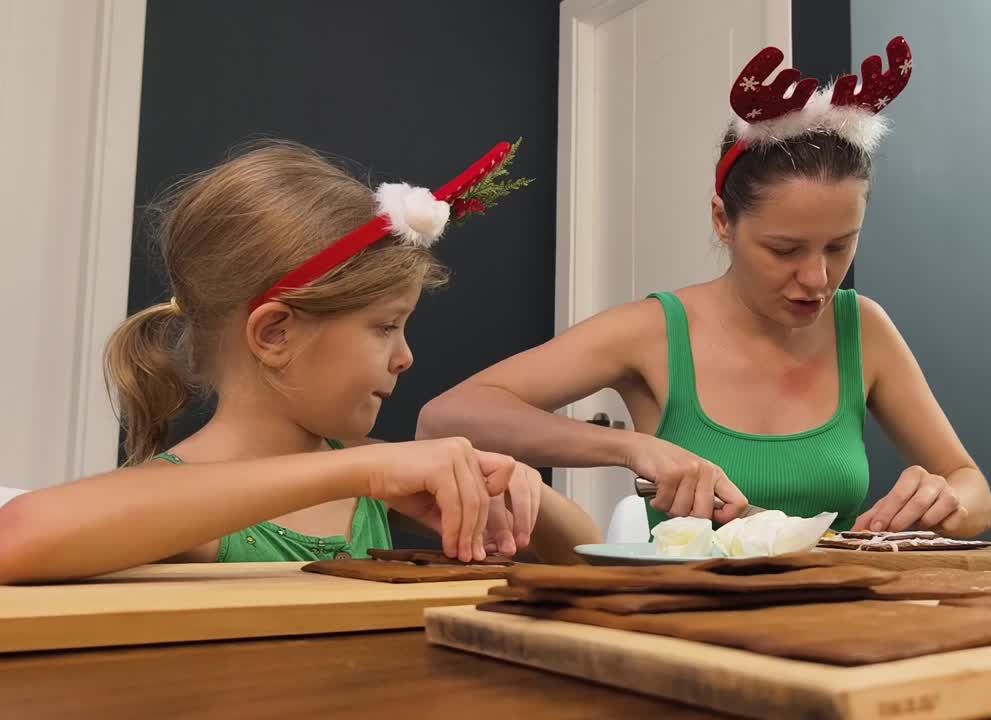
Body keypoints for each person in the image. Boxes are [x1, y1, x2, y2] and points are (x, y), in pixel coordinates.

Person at [418, 42, 991, 537]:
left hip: (840, 623)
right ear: (723, 221)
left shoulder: (862, 328)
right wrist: (633, 449)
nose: (818, 278)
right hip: (681, 623)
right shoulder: (653, 332)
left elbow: (975, 492)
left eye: (840, 246)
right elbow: (447, 418)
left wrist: (946, 501)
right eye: (785, 250)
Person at [0, 140, 598, 584]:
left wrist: (530, 495)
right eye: (385, 327)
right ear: (275, 334)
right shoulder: (198, 508)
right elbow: (16, 536)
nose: (406, 357)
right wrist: (359, 470)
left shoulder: (379, 483)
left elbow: (589, 564)